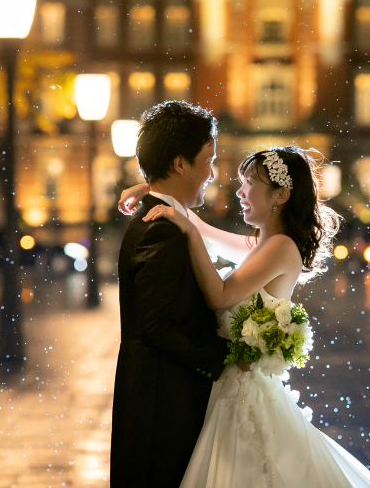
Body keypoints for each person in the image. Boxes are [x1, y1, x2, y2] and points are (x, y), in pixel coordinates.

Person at [120, 146, 370, 488]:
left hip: (244, 393)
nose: (240, 191)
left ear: (281, 195)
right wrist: (152, 192)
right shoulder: (263, 244)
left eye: (248, 183)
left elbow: (219, 294)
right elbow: (204, 228)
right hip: (231, 386)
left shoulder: (280, 248)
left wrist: (187, 233)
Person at [111, 101, 231, 487]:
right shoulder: (161, 227)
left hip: (153, 396)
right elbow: (156, 324)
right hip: (162, 404)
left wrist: (150, 184)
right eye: (207, 160)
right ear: (180, 164)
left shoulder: (159, 213)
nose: (212, 174)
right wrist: (222, 359)